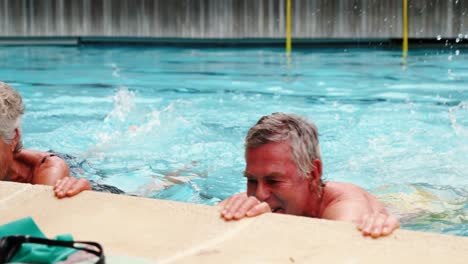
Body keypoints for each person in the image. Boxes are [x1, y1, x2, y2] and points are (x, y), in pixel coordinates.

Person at [219, 113, 400, 238]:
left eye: (273, 181)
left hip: (411, 206)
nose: (259, 195)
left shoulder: (346, 207)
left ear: (313, 174)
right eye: (251, 180)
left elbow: (338, 248)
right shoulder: (266, 197)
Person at [0, 81, 91, 198]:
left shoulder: (49, 171)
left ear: (14, 137)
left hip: (74, 166)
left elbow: (39, 214)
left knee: (90, 156)